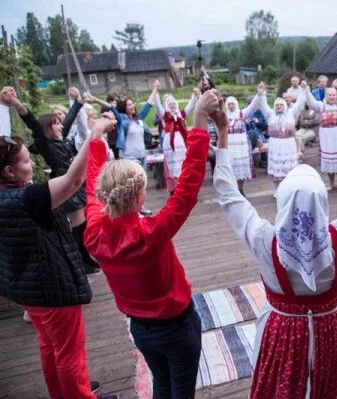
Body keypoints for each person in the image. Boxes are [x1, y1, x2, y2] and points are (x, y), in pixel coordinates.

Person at [213, 106, 337, 399]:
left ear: (282, 201)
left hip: (282, 332)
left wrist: (223, 134)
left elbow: (228, 194)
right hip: (328, 331)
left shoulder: (262, 238)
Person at [83, 89, 219, 398]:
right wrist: (199, 118)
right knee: (182, 391)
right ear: (141, 195)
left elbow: (92, 186)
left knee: (162, 383)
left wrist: (95, 136)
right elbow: (189, 187)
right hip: (177, 327)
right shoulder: (151, 232)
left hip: (140, 329)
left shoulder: (94, 233)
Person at [0, 113, 117, 399]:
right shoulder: (27, 199)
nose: (31, 163)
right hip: (49, 288)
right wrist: (95, 132)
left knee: (49, 346)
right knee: (70, 353)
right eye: (24, 161)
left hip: (24, 288)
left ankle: (62, 393)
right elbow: (73, 181)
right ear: (9, 171)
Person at [5, 87, 101, 275]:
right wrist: (16, 104)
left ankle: (83, 258)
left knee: (80, 224)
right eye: (56, 123)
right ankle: (81, 260)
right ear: (48, 128)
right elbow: (31, 122)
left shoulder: (61, 140)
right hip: (64, 184)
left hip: (75, 184)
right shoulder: (46, 144)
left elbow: (70, 118)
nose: (61, 126)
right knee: (77, 224)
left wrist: (78, 102)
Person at [89, 81, 159, 215]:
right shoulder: (122, 119)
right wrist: (95, 100)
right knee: (131, 184)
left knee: (141, 183)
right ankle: (133, 209)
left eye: (132, 104)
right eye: (128, 104)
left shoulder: (139, 118)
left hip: (141, 155)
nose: (132, 106)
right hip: (129, 156)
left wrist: (155, 88)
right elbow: (110, 106)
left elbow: (149, 104)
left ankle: (140, 207)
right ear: (124, 107)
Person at [304, 74, 337, 190]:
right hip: (326, 138)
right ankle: (331, 183)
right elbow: (311, 102)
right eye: (329, 95)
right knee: (328, 160)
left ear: (336, 96)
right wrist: (306, 90)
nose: (332, 97)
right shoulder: (321, 106)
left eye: (334, 95)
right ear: (326, 96)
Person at [256, 81, 305, 193]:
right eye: (277, 105)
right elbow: (263, 105)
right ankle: (277, 189)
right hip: (275, 144)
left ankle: (290, 189)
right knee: (277, 167)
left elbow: (299, 103)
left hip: (288, 144)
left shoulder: (291, 113)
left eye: (281, 104)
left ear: (285, 105)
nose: (279, 106)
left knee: (288, 167)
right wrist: (262, 93)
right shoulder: (270, 114)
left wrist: (303, 91)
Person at [154, 88, 200, 195]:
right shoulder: (164, 116)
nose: (172, 106)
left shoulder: (182, 115)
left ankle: (184, 187)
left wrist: (194, 96)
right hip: (170, 145)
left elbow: (190, 106)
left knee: (183, 164)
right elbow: (157, 106)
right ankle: (174, 189)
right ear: (166, 105)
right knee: (172, 166)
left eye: (174, 104)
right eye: (170, 105)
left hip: (181, 143)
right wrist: (156, 92)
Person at [225, 93, 261, 195]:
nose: (231, 106)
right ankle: (234, 189)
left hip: (241, 145)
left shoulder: (242, 113)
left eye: (233, 104)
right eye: (229, 104)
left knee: (241, 166)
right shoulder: (224, 116)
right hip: (230, 145)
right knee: (232, 167)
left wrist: (258, 95)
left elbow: (252, 107)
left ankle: (241, 189)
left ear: (236, 104)